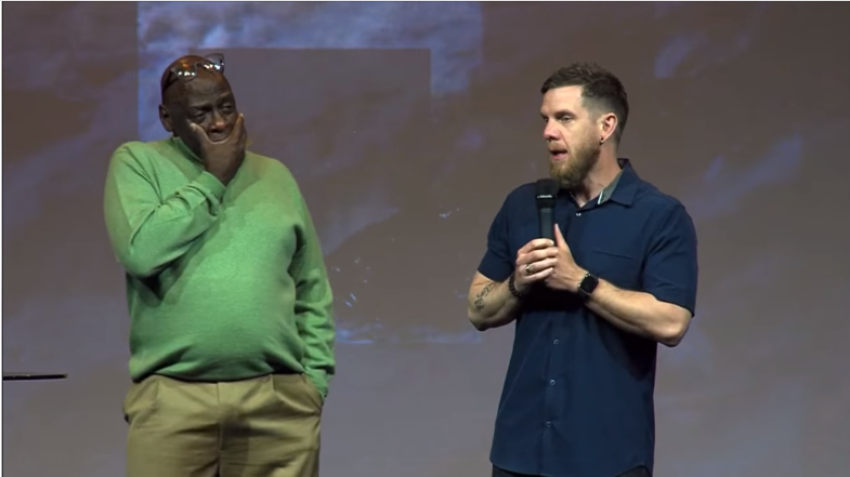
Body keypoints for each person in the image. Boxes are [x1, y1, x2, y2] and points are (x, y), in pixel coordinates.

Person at [103, 53, 335, 477]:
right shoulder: (138, 163)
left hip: (278, 403)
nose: (219, 123)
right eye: (201, 113)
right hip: (174, 400)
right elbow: (142, 253)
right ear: (167, 119)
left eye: (226, 107)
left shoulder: (274, 175)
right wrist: (213, 178)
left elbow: (310, 284)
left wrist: (312, 384)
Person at [466, 62, 699, 477]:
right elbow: (477, 310)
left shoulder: (659, 215)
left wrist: (580, 281)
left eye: (564, 118)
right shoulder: (523, 205)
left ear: (605, 127)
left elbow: (671, 323)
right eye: (545, 119)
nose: (548, 132)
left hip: (607, 458)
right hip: (520, 454)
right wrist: (518, 283)